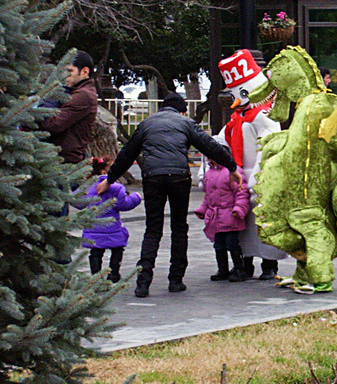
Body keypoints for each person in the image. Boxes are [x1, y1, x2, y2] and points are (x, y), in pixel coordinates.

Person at [98, 92, 242, 298]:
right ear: (182, 110)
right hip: (178, 177)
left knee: (153, 229)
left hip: (152, 177)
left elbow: (127, 154)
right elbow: (209, 146)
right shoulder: (185, 123)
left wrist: (110, 179)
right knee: (179, 227)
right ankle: (175, 280)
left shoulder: (147, 124)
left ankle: (143, 281)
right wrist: (231, 166)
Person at [215, 49, 288, 280]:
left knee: (263, 223)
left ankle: (269, 265)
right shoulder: (238, 118)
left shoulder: (263, 115)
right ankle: (245, 264)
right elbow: (220, 141)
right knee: (242, 227)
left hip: (259, 178)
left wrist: (259, 177)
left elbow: (268, 147)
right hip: (239, 179)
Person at [80, 156, 142, 282]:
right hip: (112, 228)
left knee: (96, 252)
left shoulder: (88, 186)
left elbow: (77, 201)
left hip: (93, 227)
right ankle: (114, 274)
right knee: (117, 249)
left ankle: (95, 276)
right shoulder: (116, 187)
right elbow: (123, 205)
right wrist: (136, 197)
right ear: (104, 172)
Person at [195, 158, 250, 282]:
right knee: (219, 245)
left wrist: (239, 209)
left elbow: (241, 192)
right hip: (216, 216)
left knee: (232, 244)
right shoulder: (209, 172)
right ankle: (223, 269)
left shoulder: (233, 171)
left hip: (230, 214)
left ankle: (239, 269)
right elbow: (208, 196)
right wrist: (203, 209)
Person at [40, 50, 98, 164]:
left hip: (65, 163)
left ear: (85, 71)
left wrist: (31, 120)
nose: (65, 75)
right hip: (58, 159)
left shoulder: (83, 95)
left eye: (70, 71)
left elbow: (55, 124)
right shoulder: (74, 91)